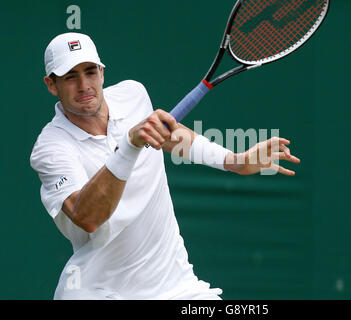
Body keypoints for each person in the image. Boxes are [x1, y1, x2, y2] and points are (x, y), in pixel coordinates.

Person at [30, 32, 300, 300]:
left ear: (101, 73)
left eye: (90, 72)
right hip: (99, 292)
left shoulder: (132, 94)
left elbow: (167, 134)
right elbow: (88, 217)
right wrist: (129, 145)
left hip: (177, 287)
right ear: (51, 85)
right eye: (70, 77)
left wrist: (234, 162)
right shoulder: (52, 148)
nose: (84, 85)